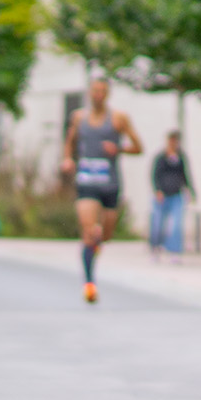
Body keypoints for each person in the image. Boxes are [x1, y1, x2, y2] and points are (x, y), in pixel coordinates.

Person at [59, 78, 143, 303]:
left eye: (102, 91)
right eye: (95, 90)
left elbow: (139, 147)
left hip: (110, 183)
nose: (98, 95)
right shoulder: (79, 118)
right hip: (86, 181)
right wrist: (67, 159)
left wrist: (119, 149)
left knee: (104, 235)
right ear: (89, 93)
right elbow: (69, 142)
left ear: (108, 94)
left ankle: (94, 250)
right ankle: (89, 283)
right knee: (89, 232)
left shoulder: (118, 119)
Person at [149, 131, 195, 263]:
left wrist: (190, 190)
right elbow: (155, 174)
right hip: (162, 194)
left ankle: (175, 251)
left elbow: (185, 174)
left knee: (176, 225)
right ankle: (156, 248)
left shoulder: (181, 157)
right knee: (158, 224)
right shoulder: (161, 157)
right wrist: (157, 190)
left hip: (176, 194)